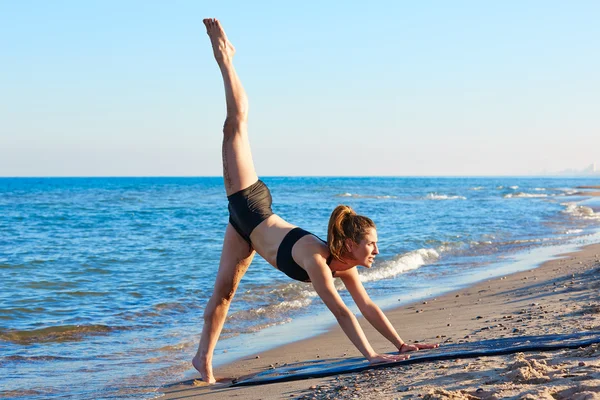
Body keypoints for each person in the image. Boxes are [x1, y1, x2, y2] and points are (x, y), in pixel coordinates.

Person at [194, 18, 438, 383]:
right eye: (371, 245)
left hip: (245, 230)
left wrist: (401, 344)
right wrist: (370, 355)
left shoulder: (344, 265)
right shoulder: (316, 258)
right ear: (351, 244)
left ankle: (202, 361)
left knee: (224, 295)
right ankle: (226, 59)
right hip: (249, 203)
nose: (375, 252)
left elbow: (366, 306)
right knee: (235, 124)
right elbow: (341, 312)